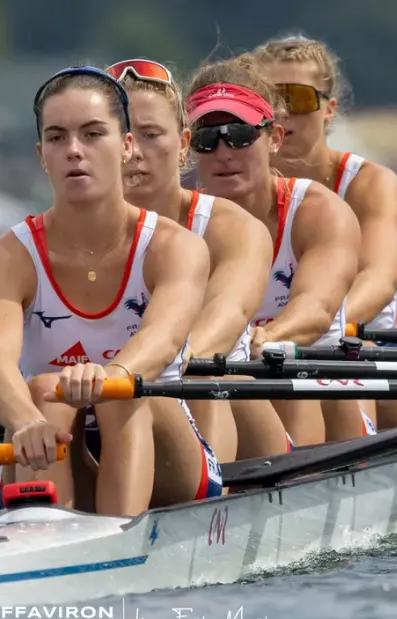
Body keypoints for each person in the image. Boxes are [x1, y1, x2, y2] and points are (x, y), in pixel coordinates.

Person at [0, 66, 222, 517]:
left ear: (126, 147)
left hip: (171, 459)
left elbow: (162, 339)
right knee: (44, 392)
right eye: (57, 138)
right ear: (41, 155)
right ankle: (46, 535)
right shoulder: (4, 257)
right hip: (59, 434)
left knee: (118, 391)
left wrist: (112, 374)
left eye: (92, 134)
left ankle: (113, 539)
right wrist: (23, 420)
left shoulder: (174, 247)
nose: (74, 151)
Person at [105, 58, 292, 461]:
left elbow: (229, 311)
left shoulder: (232, 228)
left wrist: (159, 359)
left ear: (184, 145)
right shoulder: (65, 238)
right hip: (119, 408)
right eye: (121, 135)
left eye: (151, 134)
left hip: (225, 412)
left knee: (199, 373)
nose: (133, 151)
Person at [182, 57, 376, 444]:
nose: (223, 151)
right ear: (189, 147)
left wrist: (269, 336)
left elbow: (316, 310)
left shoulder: (318, 211)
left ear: (274, 137)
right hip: (227, 392)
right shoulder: (177, 227)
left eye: (239, 134)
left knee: (280, 362)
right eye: (207, 137)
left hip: (325, 399)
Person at [249, 35, 397, 429]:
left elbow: (379, 279)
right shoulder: (234, 192)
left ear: (328, 110)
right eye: (269, 99)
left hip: (362, 345)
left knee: (337, 352)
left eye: (298, 98)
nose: (283, 113)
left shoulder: (370, 184)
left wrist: (310, 326)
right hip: (266, 350)